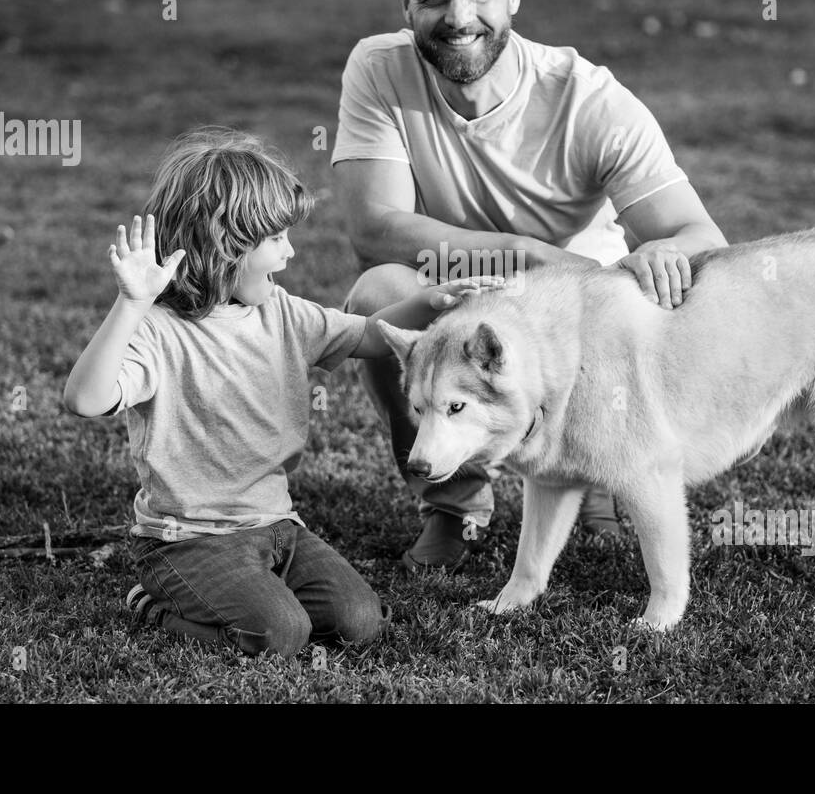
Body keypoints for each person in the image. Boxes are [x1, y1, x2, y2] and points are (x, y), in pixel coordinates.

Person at [333, 0, 727, 572]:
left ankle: (603, 468)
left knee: (631, 319)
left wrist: (663, 247)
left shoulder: (590, 100)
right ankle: (454, 504)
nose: (459, 17)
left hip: (580, 317)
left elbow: (703, 239)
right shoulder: (378, 69)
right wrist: (520, 255)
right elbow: (375, 227)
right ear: (405, 3)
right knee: (376, 294)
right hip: (458, 298)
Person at [63, 128, 501, 658]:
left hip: (276, 528)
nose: (290, 252)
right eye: (277, 240)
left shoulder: (283, 313)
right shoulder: (157, 331)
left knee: (360, 623)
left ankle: (257, 590)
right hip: (187, 540)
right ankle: (152, 603)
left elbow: (366, 334)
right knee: (278, 635)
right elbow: (84, 400)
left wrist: (429, 301)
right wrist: (130, 305)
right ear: (227, 244)